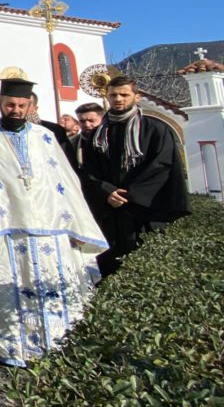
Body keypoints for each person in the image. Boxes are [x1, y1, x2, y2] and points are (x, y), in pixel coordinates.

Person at [0, 77, 108, 367]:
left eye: (21, 105)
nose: (16, 109)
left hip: (50, 229)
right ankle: (11, 348)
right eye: (10, 105)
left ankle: (59, 345)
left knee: (54, 285)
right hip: (4, 229)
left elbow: (65, 181)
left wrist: (75, 223)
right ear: (0, 104)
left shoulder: (45, 136)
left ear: (30, 105)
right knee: (9, 286)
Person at [80, 76, 190, 276]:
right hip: (109, 212)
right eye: (113, 95)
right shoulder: (97, 135)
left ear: (136, 97)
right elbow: (88, 171)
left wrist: (129, 195)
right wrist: (106, 191)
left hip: (144, 211)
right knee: (110, 268)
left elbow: (161, 166)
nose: (118, 99)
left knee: (147, 269)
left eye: (124, 94)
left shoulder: (155, 129)